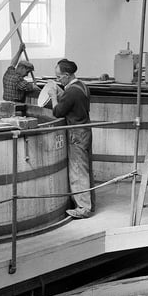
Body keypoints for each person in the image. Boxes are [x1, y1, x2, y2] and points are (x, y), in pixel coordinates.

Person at [49, 59, 94, 219]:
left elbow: (58, 112)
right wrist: (62, 93)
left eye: (59, 77)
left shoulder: (71, 92)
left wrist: (54, 96)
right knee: (84, 167)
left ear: (67, 75)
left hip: (76, 133)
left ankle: (83, 208)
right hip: (85, 130)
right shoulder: (81, 86)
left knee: (78, 171)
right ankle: (88, 202)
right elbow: (72, 102)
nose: (58, 80)